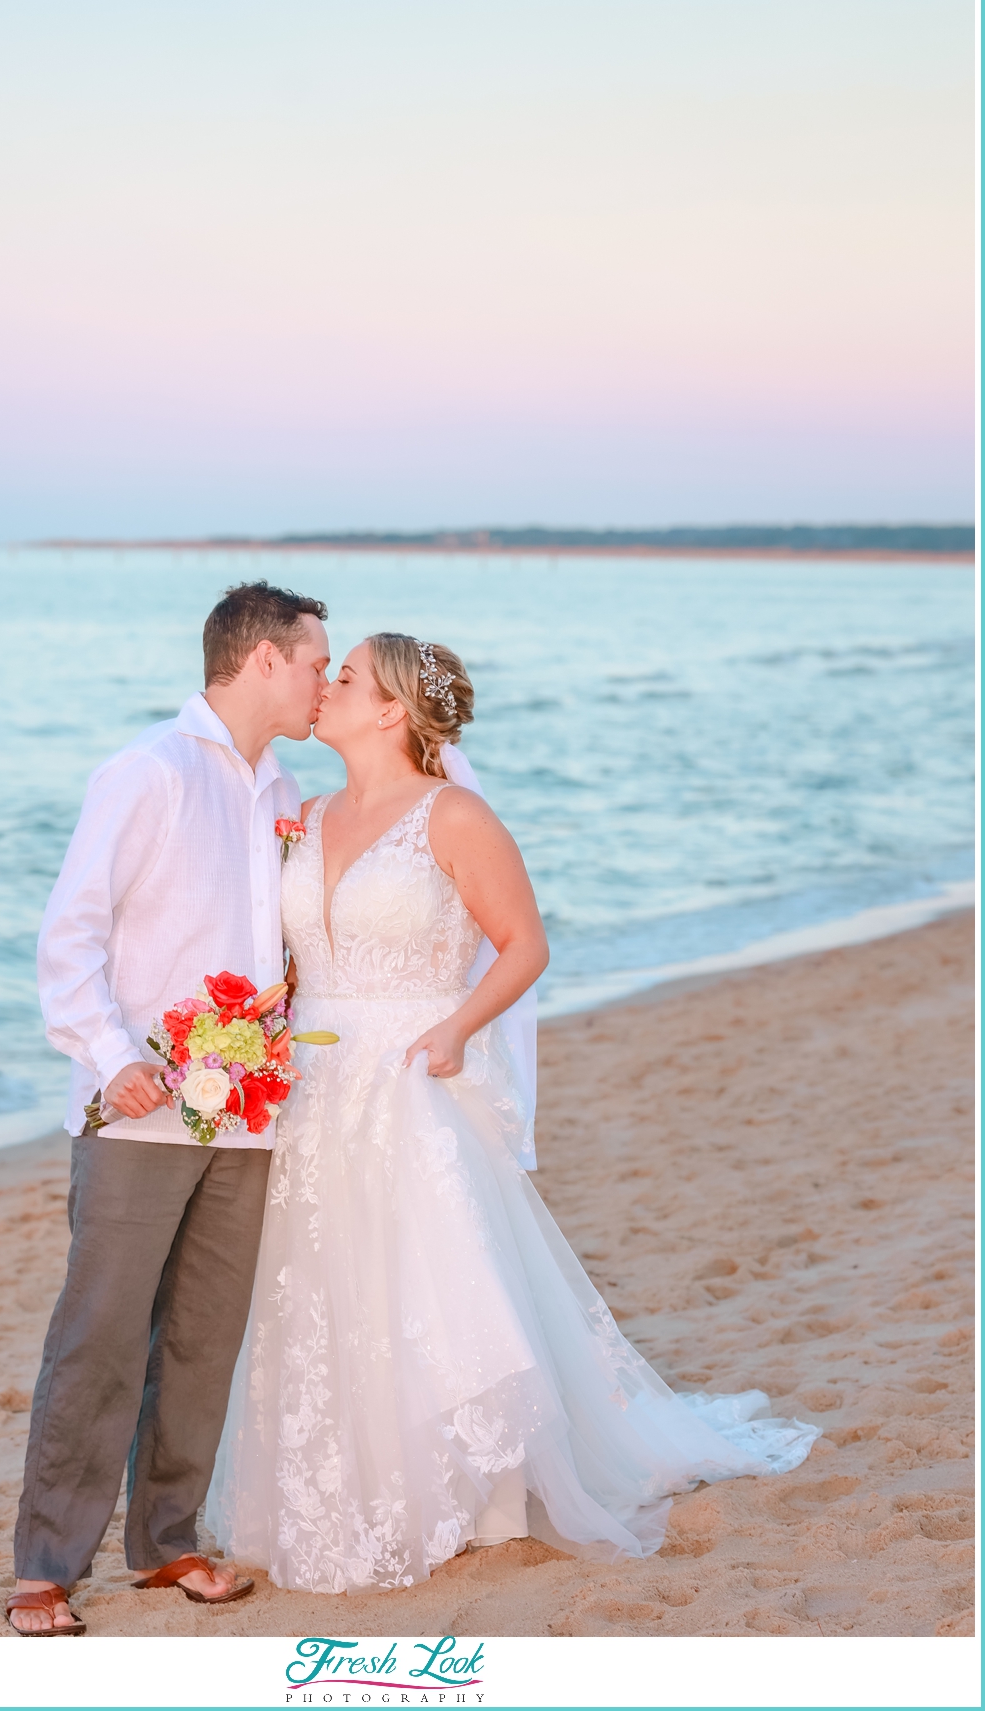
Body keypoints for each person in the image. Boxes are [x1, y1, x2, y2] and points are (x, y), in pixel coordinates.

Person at [206, 632, 819, 1594]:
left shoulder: (452, 816)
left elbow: (523, 945)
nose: (325, 686)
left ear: (391, 711)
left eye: (348, 675)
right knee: (324, 1279)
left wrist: (456, 1029)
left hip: (414, 1070)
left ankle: (478, 1494)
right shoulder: (308, 813)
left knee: (434, 1281)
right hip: (315, 1084)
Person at [6, 581, 330, 1634]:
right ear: (264, 659)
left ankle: (168, 1538)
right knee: (98, 1336)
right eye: (315, 658)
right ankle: (46, 1564)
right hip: (139, 1109)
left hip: (247, 1113)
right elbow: (71, 938)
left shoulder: (284, 788)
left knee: (204, 1335)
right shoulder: (147, 772)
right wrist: (112, 1058)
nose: (324, 677)